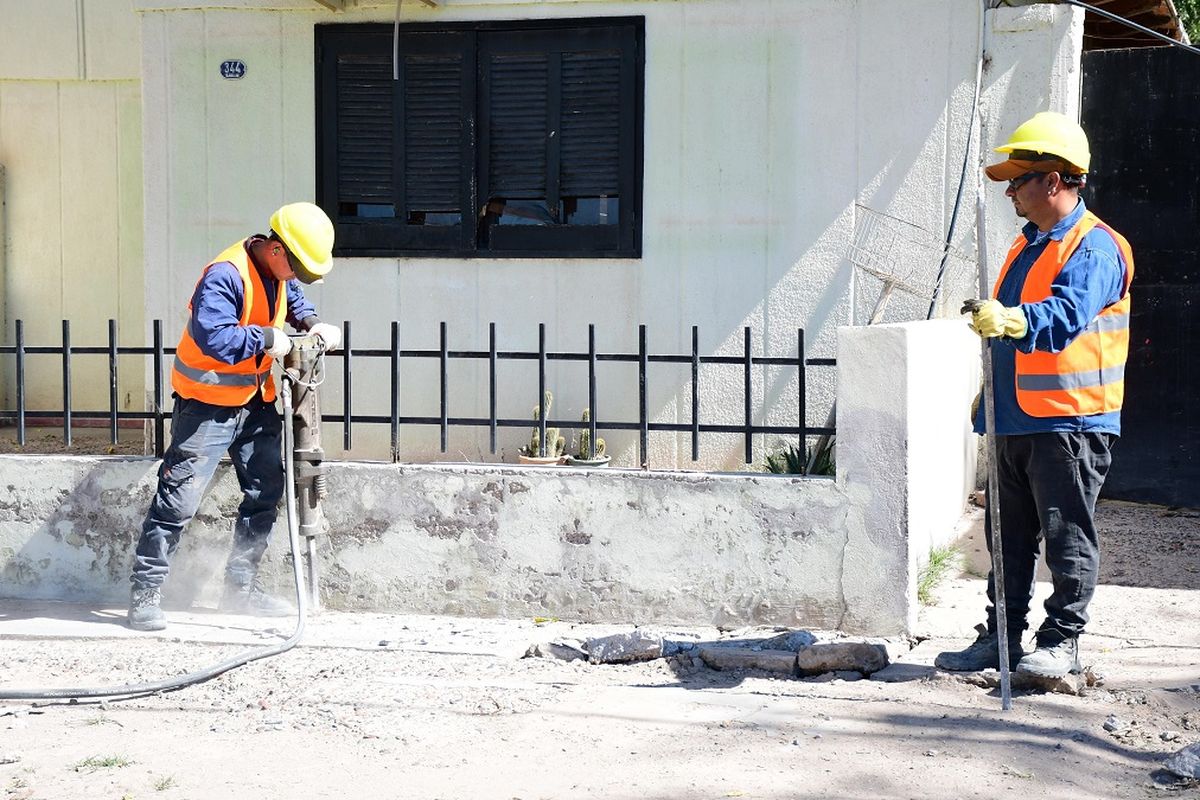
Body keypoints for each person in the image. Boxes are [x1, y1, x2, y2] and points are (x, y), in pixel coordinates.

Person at [935, 112, 1134, 678]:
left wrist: (1011, 321)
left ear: (1054, 180)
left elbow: (1064, 317)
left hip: (1070, 423)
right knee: (1008, 538)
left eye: (1018, 180)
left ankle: (1061, 642)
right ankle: (1002, 637)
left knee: (1066, 536)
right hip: (1015, 418)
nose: (1009, 192)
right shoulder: (1028, 246)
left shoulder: (1094, 248)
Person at [127, 202, 343, 631]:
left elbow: (292, 297)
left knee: (266, 491)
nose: (297, 278)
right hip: (206, 404)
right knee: (178, 499)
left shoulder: (277, 273)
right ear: (277, 250)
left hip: (256, 402)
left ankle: (240, 590)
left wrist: (314, 323)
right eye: (296, 267)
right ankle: (145, 593)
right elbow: (213, 337)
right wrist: (266, 337)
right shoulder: (225, 274)